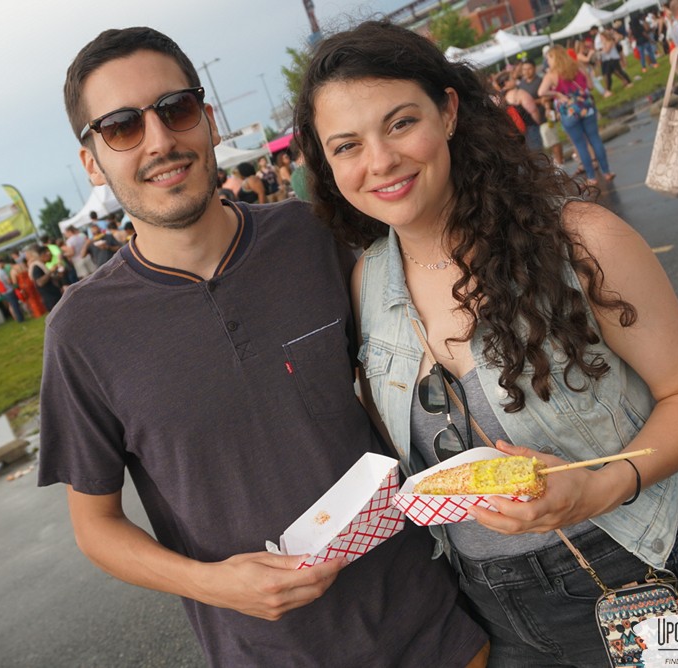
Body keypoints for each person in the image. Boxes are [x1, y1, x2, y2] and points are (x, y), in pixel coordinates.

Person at [37, 26, 488, 667]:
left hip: (431, 623)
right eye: (121, 127)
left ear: (208, 120)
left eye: (176, 109)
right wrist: (209, 582)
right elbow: (96, 527)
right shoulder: (81, 332)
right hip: (269, 653)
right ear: (92, 161)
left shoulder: (312, 237)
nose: (161, 140)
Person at [295, 20, 678, 665]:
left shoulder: (580, 239)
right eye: (346, 146)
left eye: (399, 123)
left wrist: (597, 488)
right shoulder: (368, 282)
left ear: (448, 112)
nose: (380, 161)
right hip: (494, 615)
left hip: (632, 574)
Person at [540, 45, 616, 186]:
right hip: (586, 107)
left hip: (568, 111)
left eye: (548, 58)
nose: (547, 61)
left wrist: (557, 93)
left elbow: (541, 92)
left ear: (553, 58)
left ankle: (591, 177)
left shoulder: (551, 75)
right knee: (595, 139)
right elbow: (591, 86)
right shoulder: (578, 67)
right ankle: (607, 172)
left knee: (580, 144)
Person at [25, 245, 63, 312]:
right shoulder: (36, 267)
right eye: (49, 254)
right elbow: (40, 282)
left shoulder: (42, 265)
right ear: (43, 255)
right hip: (51, 299)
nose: (51, 256)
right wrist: (50, 272)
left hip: (55, 297)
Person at [0, 256, 25, 322]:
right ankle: (20, 318)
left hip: (3, 292)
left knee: (11, 305)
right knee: (15, 305)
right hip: (9, 290)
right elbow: (8, 281)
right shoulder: (2, 272)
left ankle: (16, 318)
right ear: (1, 263)